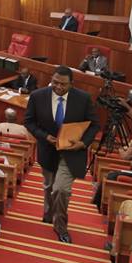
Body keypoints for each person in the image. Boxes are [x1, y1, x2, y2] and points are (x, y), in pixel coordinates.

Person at [23, 65, 99, 243]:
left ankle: (61, 226)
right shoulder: (37, 96)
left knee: (61, 189)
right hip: (48, 151)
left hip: (71, 153)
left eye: (63, 84)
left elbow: (94, 124)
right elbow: (29, 122)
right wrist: (44, 136)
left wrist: (83, 143)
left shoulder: (84, 98)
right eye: (55, 82)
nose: (58, 87)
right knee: (49, 186)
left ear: (71, 84)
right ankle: (49, 213)